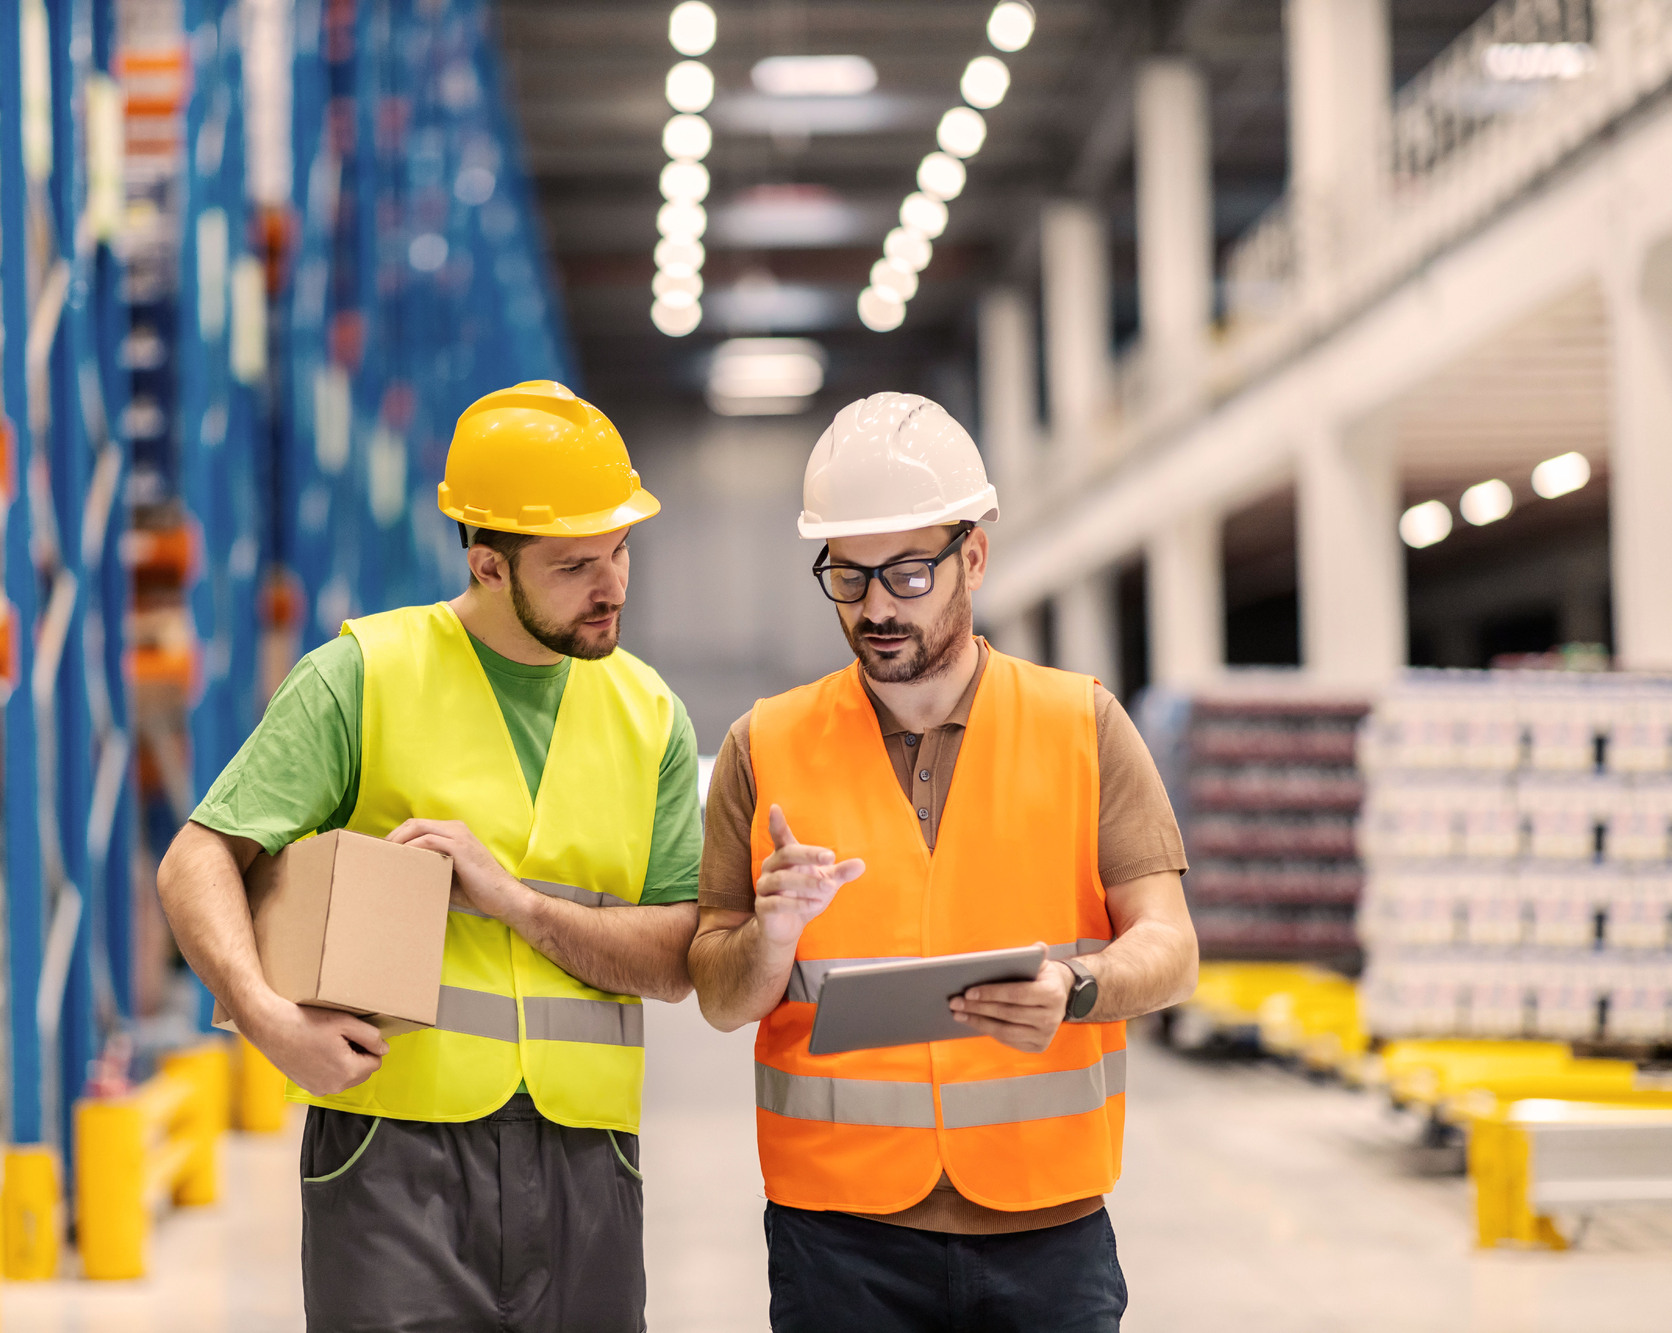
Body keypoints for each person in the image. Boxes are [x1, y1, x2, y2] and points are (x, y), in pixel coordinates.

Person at [157, 380, 703, 1333]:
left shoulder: (648, 712)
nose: (613, 585)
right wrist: (270, 1022)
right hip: (390, 1152)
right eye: (576, 565)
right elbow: (196, 860)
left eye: (620, 550)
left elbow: (675, 959)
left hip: (589, 1161)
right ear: (490, 566)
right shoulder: (364, 675)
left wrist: (517, 904)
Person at [688, 392, 1199, 1333]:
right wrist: (770, 936)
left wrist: (1076, 986)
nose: (877, 606)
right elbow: (719, 996)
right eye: (849, 576)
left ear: (973, 556)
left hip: (1048, 1227)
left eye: (909, 573)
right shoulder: (764, 746)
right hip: (836, 1238)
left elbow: (1171, 945)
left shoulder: (1081, 726)